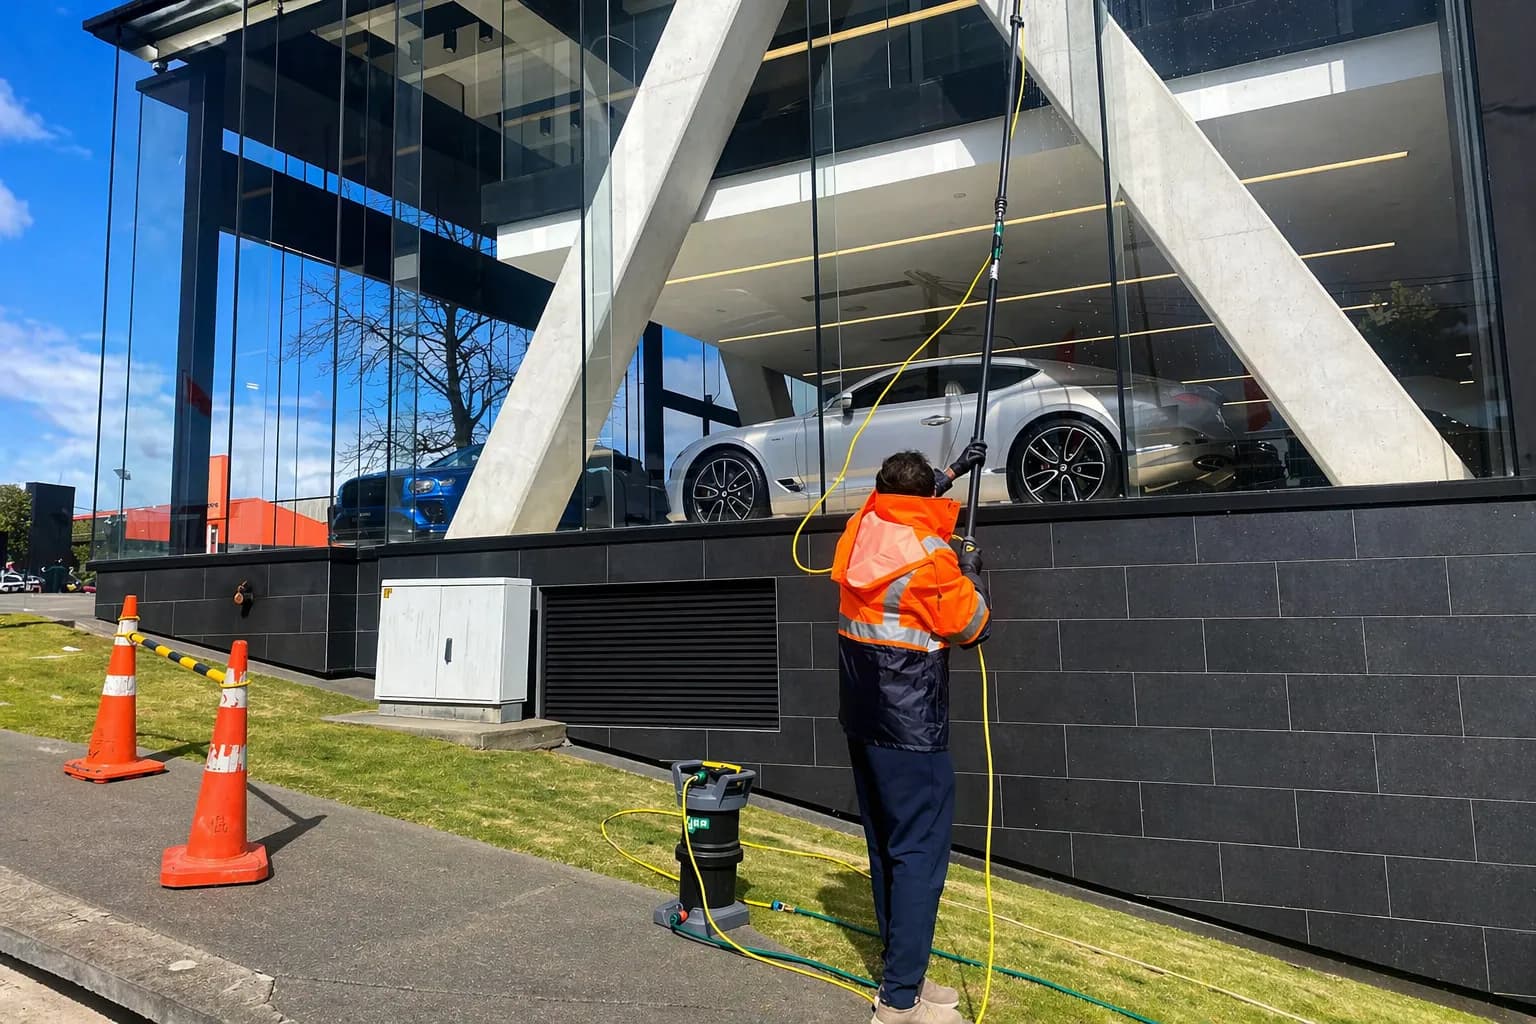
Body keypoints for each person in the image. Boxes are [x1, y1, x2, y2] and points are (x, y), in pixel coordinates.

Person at [830, 444, 991, 1024]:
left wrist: (952, 472)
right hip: (913, 725)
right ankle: (900, 1003)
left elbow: (896, 504)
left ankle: (905, 976)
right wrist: (974, 574)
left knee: (887, 849)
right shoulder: (932, 560)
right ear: (922, 500)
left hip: (862, 716)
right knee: (919, 856)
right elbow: (973, 627)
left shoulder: (861, 530)